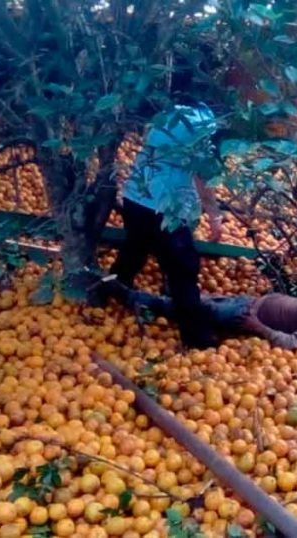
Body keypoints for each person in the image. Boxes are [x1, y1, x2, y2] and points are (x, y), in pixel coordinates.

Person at [109, 84, 224, 349]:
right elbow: (202, 178)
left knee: (135, 248)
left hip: (136, 198)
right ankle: (196, 339)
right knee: (183, 270)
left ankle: (111, 292)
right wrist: (214, 217)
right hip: (167, 209)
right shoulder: (203, 129)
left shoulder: (167, 116)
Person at [117, 277, 297, 350]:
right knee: (192, 298)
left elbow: (295, 343)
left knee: (187, 308)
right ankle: (154, 294)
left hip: (243, 315)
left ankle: (129, 296)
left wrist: (258, 327)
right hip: (249, 301)